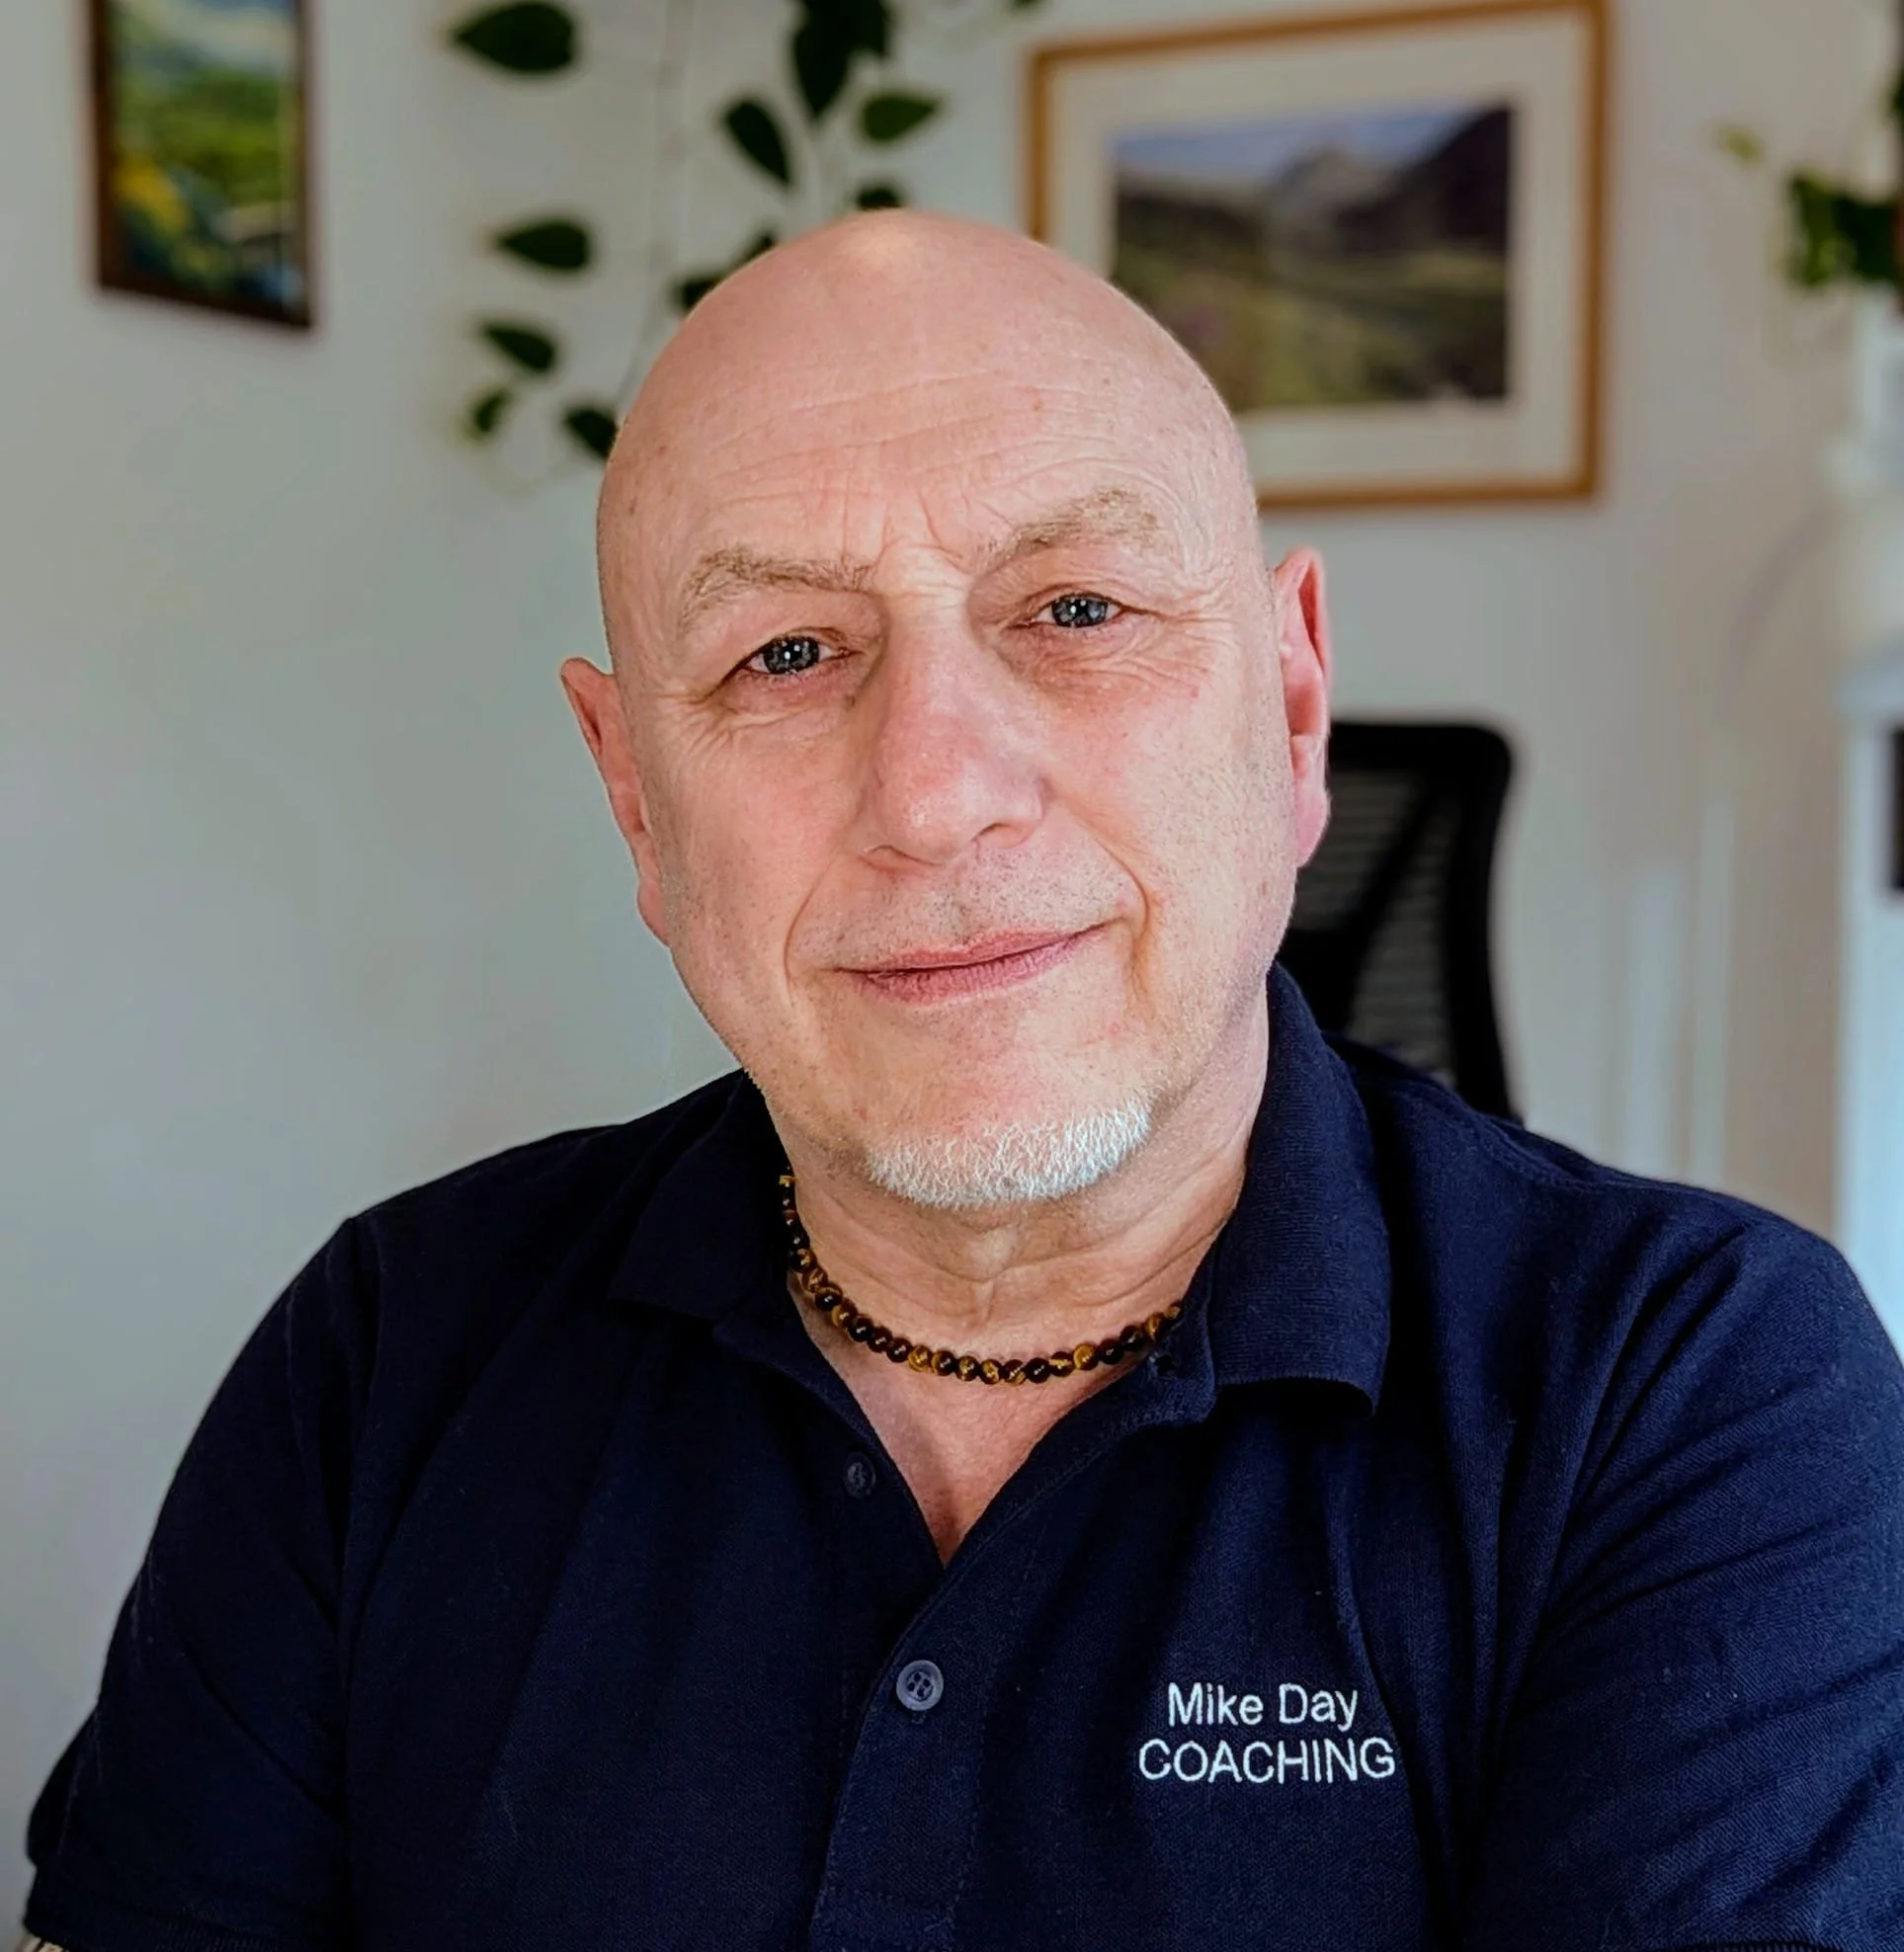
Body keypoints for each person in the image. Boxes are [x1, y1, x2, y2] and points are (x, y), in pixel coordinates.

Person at [18, 212, 1904, 1952]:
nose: (932, 786)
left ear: (1291, 706)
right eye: (785, 652)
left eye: (1074, 610)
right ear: (635, 801)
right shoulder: (386, 1358)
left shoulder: (1697, 1397)